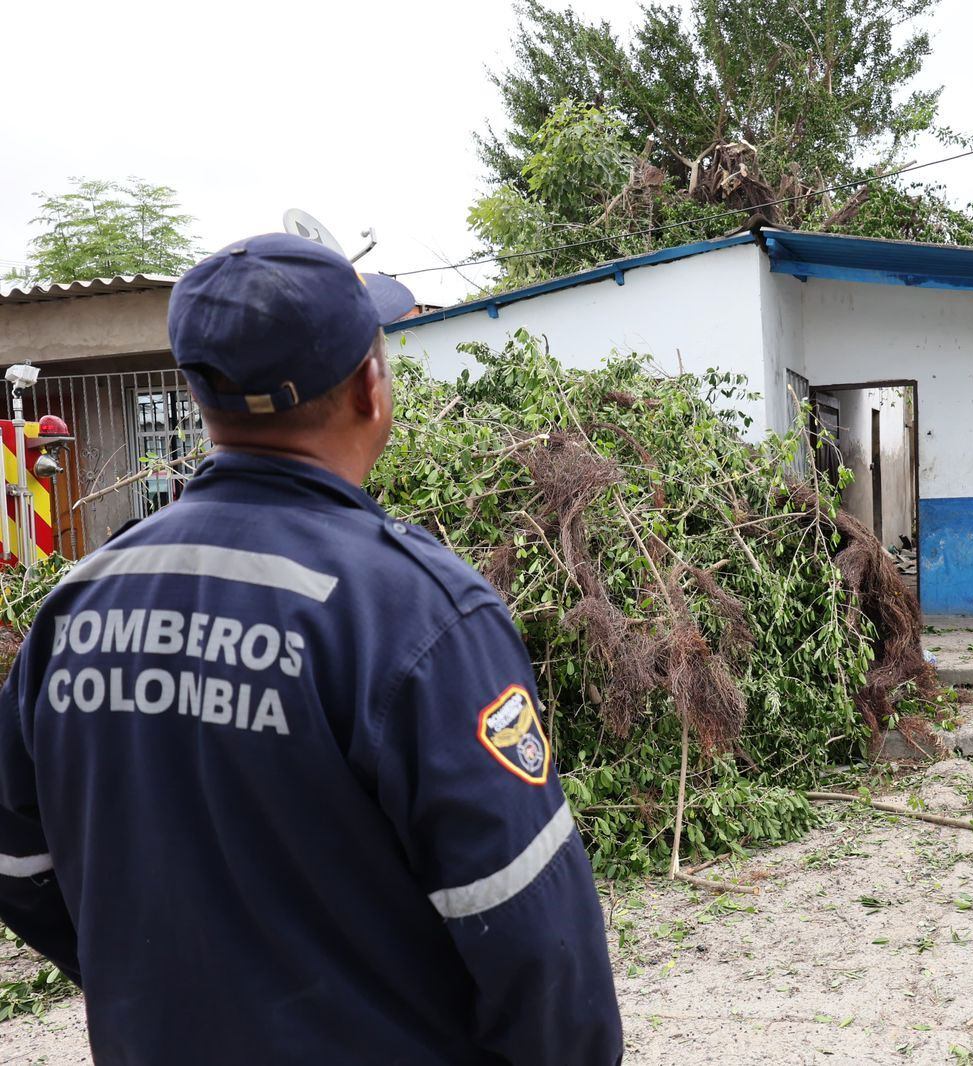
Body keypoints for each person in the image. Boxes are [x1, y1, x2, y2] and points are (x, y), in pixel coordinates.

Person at [0, 234, 624, 1064]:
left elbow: (17, 863)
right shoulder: (420, 616)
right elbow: (536, 938)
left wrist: (159, 993)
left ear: (196, 395)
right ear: (371, 387)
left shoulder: (78, 603)